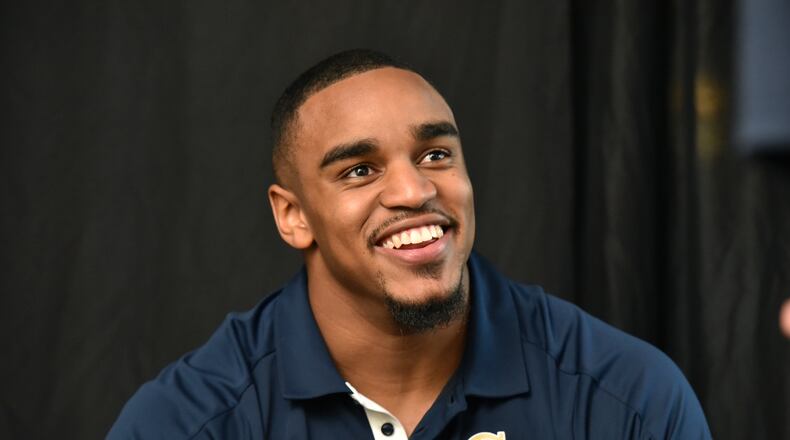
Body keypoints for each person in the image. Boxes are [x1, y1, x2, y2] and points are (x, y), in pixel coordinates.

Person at [108, 49, 711, 439]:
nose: (414, 189)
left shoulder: (627, 399)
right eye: (360, 170)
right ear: (293, 216)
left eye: (436, 155)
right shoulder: (186, 423)